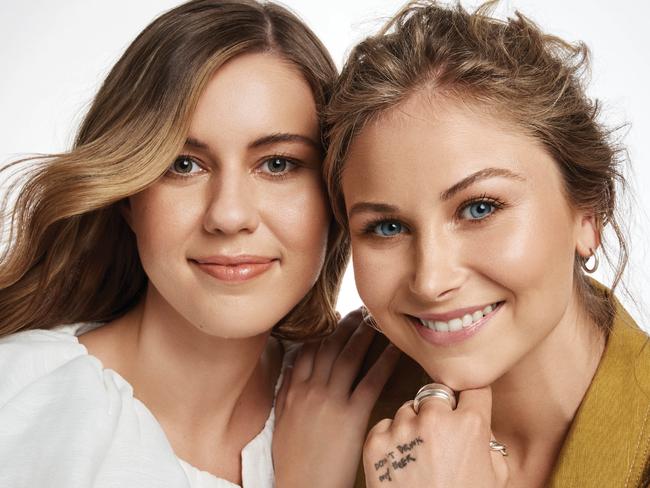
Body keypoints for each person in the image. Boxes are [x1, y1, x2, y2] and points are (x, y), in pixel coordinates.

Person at [0, 1, 399, 486]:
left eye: (278, 164)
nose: (228, 215)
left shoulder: (390, 417)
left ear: (335, 195)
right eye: (183, 165)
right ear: (129, 195)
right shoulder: (16, 399)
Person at [324, 1, 650, 486]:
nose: (432, 281)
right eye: (388, 228)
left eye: (480, 208)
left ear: (588, 214)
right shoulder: (326, 427)